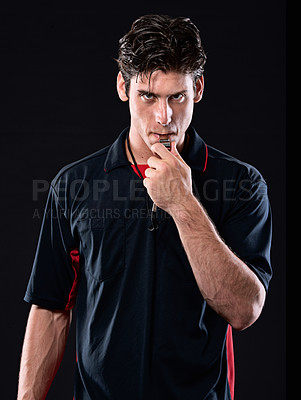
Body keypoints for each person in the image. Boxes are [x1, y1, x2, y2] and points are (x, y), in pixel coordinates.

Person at [17, 14, 272, 400]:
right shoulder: (73, 185)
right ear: (123, 87)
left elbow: (245, 309)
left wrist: (184, 204)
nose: (164, 117)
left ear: (198, 88)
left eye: (177, 96)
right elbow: (51, 309)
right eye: (148, 96)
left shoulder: (241, 184)